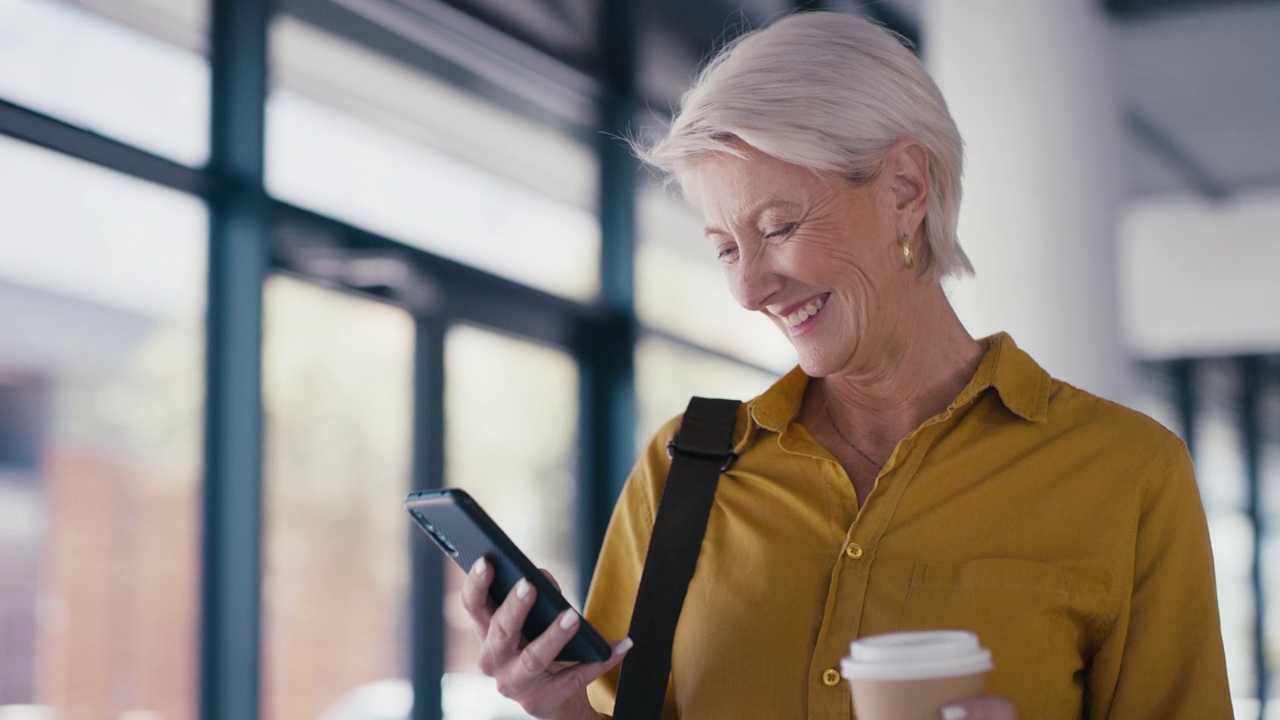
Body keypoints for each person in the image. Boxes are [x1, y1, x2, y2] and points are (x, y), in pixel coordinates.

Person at [460, 10, 1233, 720]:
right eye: (726, 247)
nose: (750, 287)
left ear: (904, 187)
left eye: (780, 225)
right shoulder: (679, 473)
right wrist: (558, 707)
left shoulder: (1126, 474)